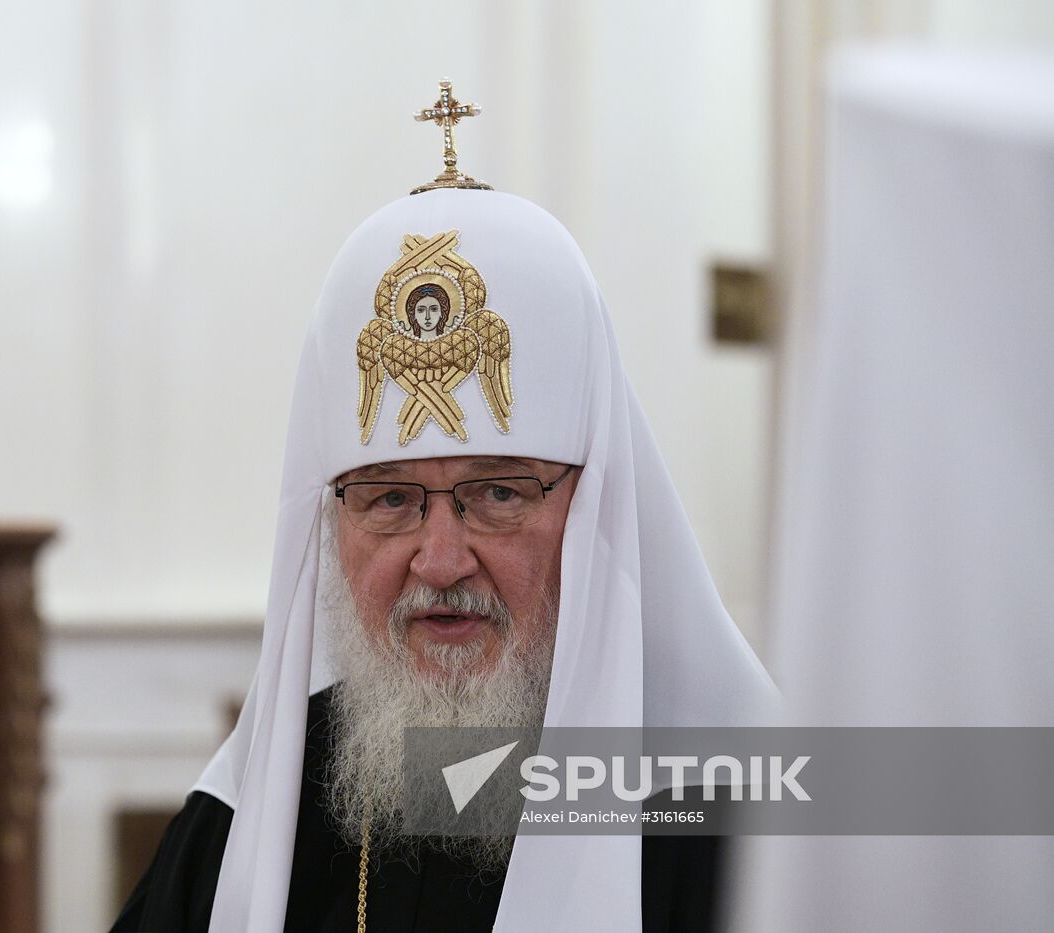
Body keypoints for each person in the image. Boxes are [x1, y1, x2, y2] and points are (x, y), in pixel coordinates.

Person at [112, 88, 776, 932]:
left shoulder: (723, 806)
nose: (439, 559)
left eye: (498, 493)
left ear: (592, 511)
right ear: (331, 526)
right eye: (388, 499)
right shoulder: (278, 792)